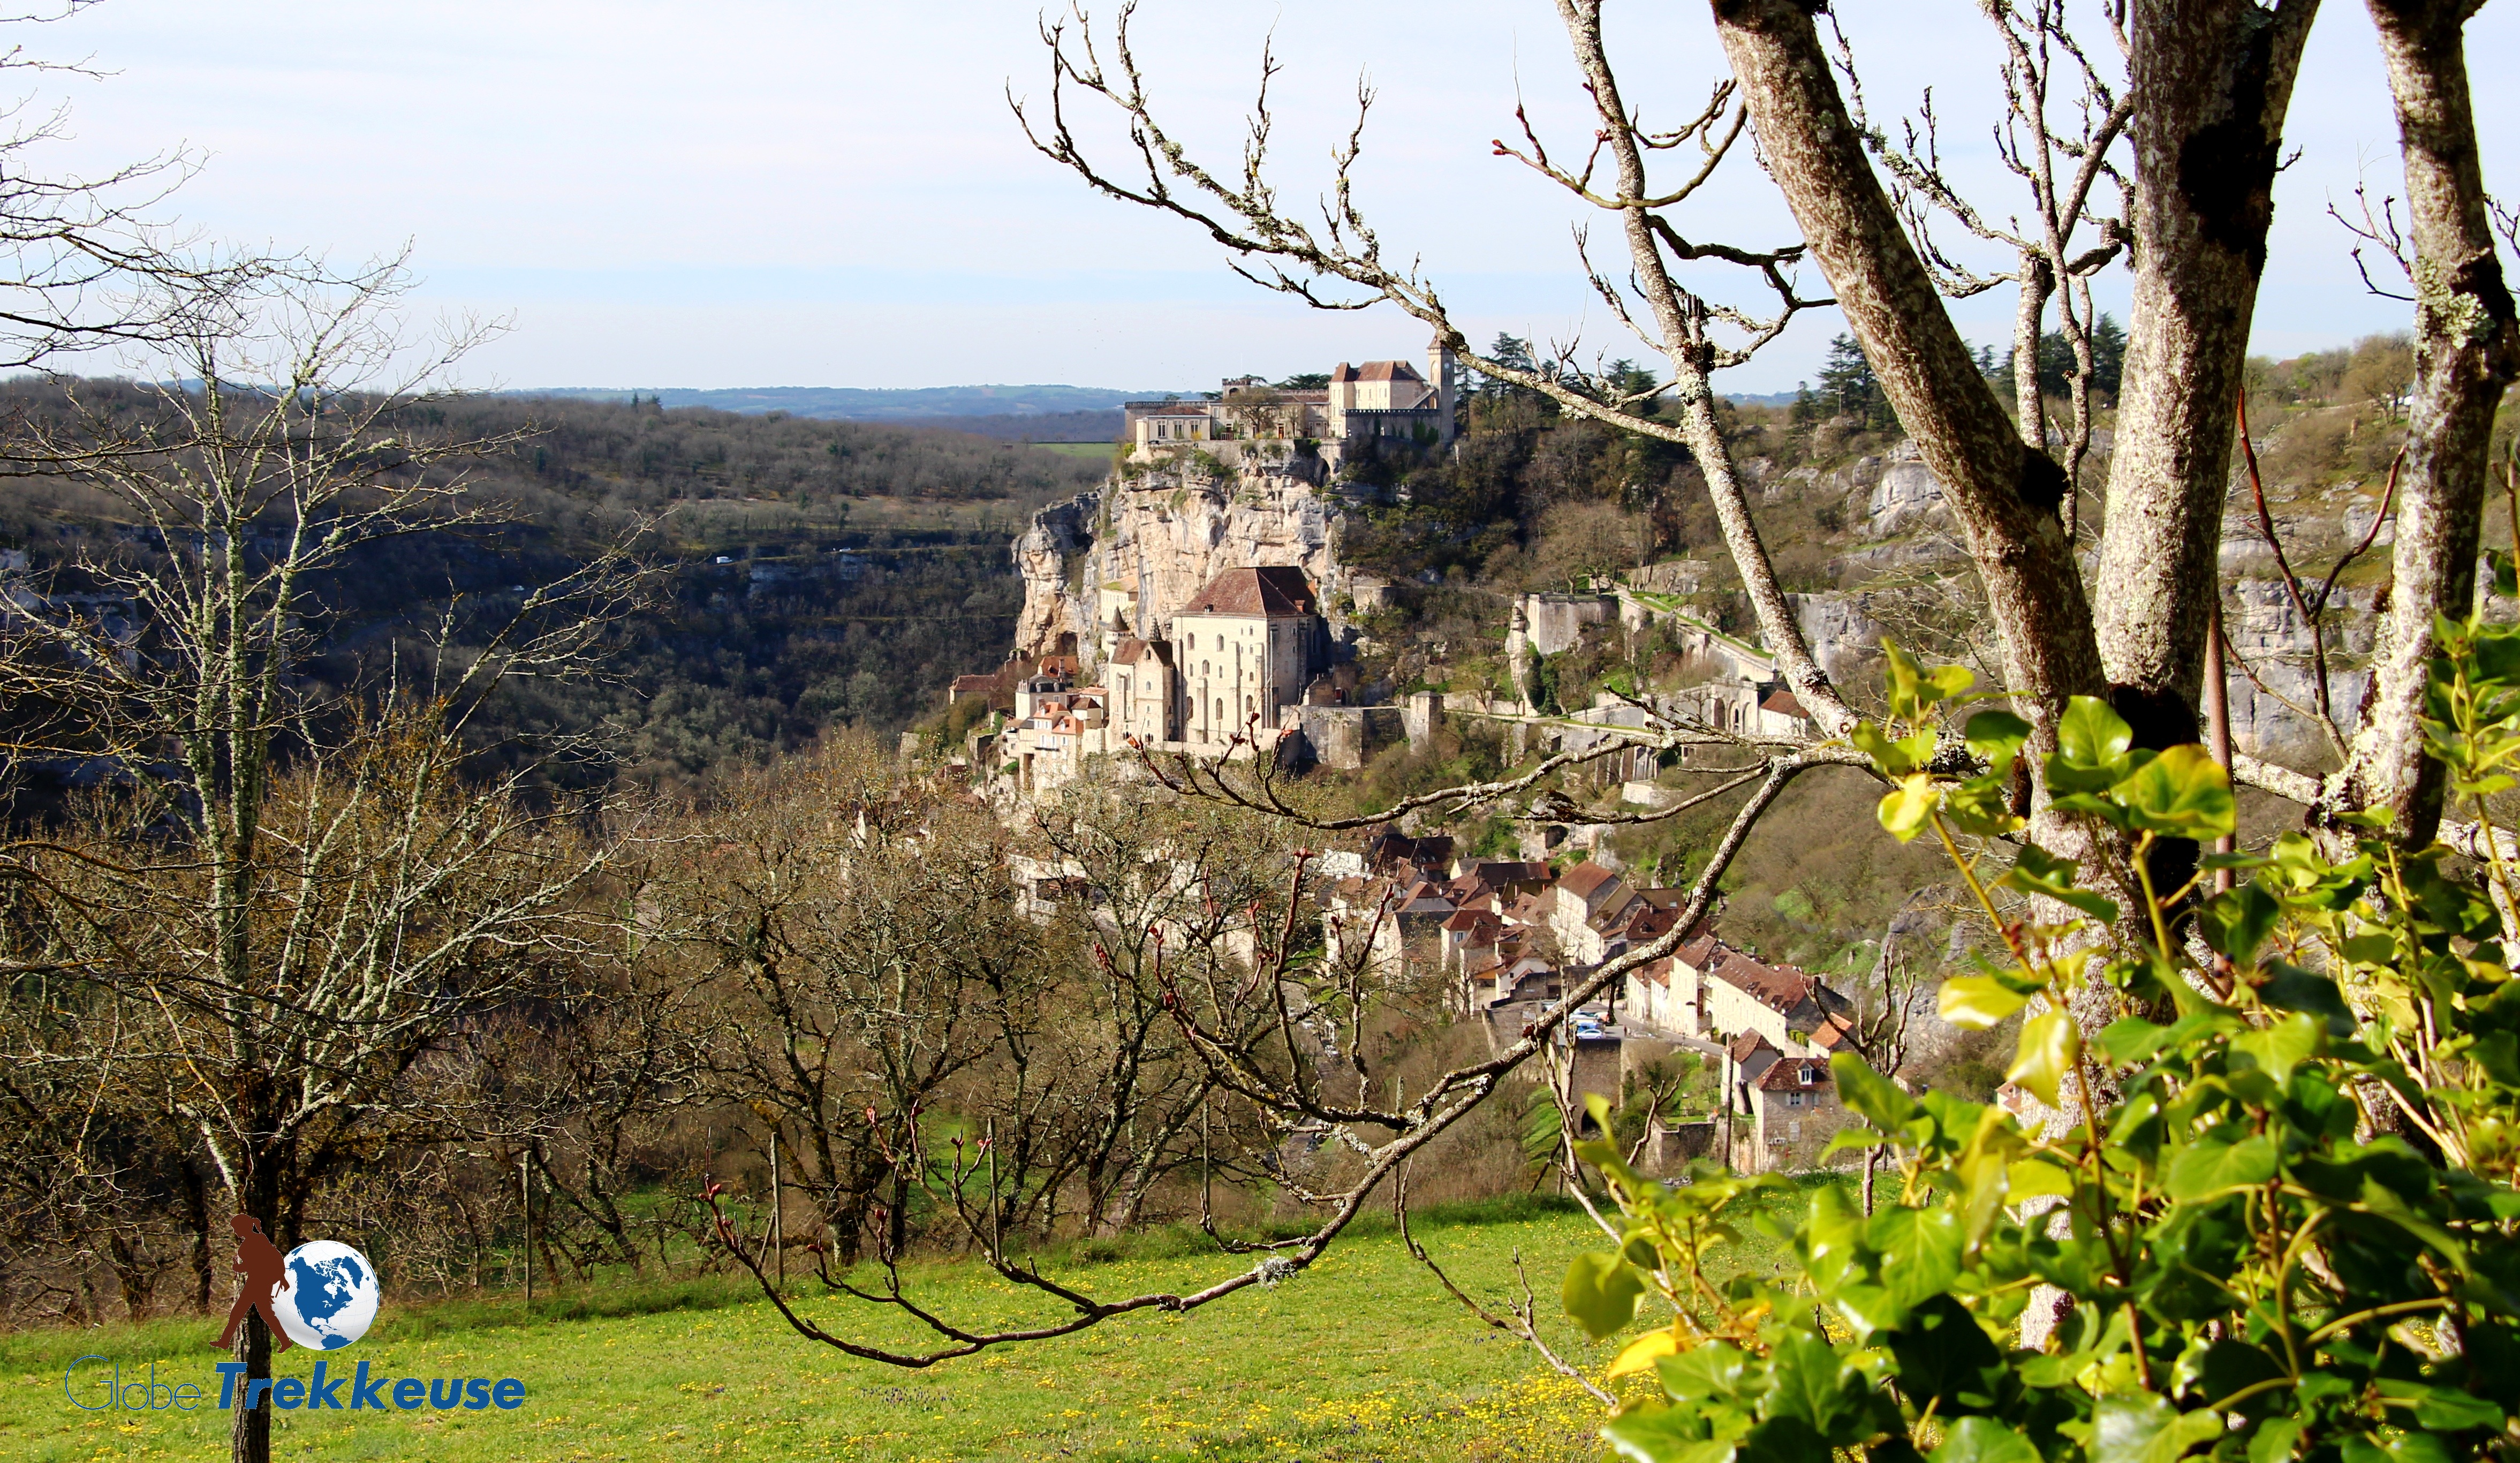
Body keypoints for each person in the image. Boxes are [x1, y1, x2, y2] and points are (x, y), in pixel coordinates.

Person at [215, 1215, 294, 1353]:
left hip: (258, 1282)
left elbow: (256, 1264)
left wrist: (239, 1268)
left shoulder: (255, 1241)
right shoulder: (259, 1239)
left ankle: (225, 1341)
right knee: (262, 1313)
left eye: (236, 1228)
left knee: (244, 1312)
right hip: (259, 1281)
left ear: (243, 1227)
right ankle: (285, 1341)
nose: (235, 1232)